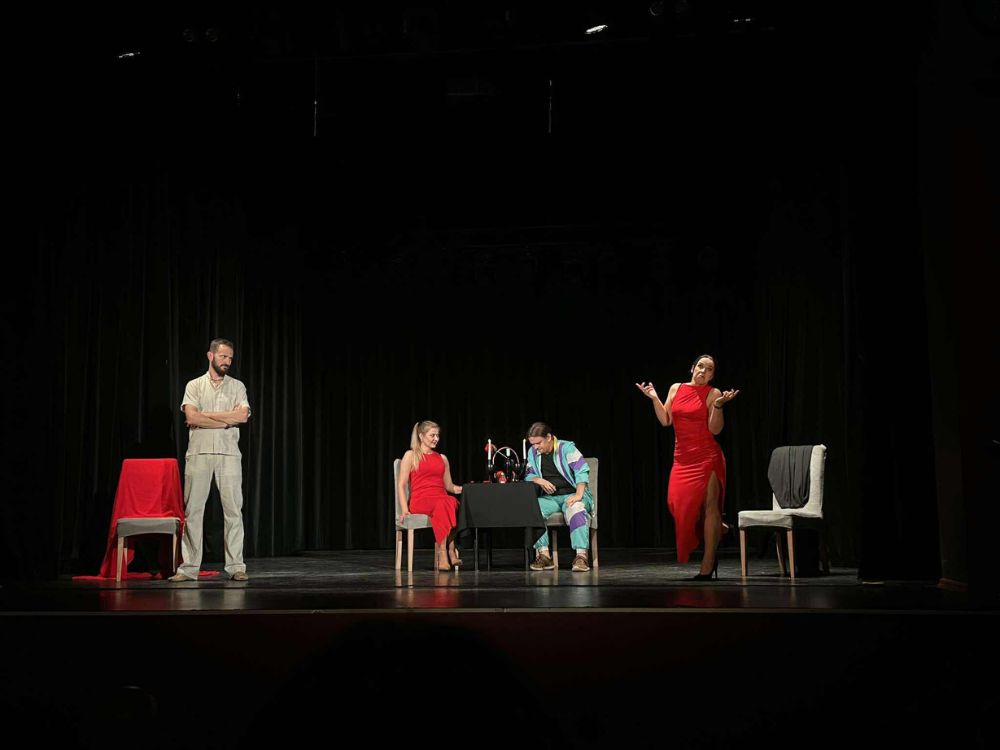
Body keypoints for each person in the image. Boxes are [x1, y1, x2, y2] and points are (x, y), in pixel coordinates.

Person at [636, 354, 738, 580]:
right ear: (692, 368)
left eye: (709, 369)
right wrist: (654, 398)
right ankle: (720, 529)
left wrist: (718, 406)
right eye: (700, 366)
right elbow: (666, 420)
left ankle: (708, 563)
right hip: (682, 458)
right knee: (677, 504)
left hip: (707, 457)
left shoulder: (713, 393)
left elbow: (715, 429)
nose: (703, 371)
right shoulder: (676, 388)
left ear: (712, 375)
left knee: (710, 508)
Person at [169, 338, 251, 582]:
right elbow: (192, 417)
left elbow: (242, 417)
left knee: (233, 511)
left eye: (230, 358)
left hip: (228, 454)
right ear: (211, 356)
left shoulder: (237, 386)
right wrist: (226, 419)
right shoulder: (194, 385)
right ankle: (189, 568)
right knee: (193, 511)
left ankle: (236, 566)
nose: (227, 362)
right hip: (199, 453)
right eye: (223, 356)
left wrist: (207, 416)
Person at [523, 422, 594, 572]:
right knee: (532, 508)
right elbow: (529, 475)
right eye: (533, 444)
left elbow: (581, 470)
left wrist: (578, 495)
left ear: (548, 437)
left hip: (573, 494)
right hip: (551, 498)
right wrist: (539, 480)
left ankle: (581, 557)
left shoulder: (566, 448)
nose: (535, 447)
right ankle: (544, 556)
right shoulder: (532, 452)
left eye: (538, 443)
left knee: (576, 508)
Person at [397, 420, 463, 571]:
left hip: (440, 499)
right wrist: (404, 509)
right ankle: (445, 552)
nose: (436, 439)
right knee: (445, 503)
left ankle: (449, 550)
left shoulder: (442, 458)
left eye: (437, 435)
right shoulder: (411, 455)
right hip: (420, 500)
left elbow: (449, 486)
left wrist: (466, 489)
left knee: (452, 502)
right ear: (421, 436)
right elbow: (401, 485)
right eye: (432, 435)